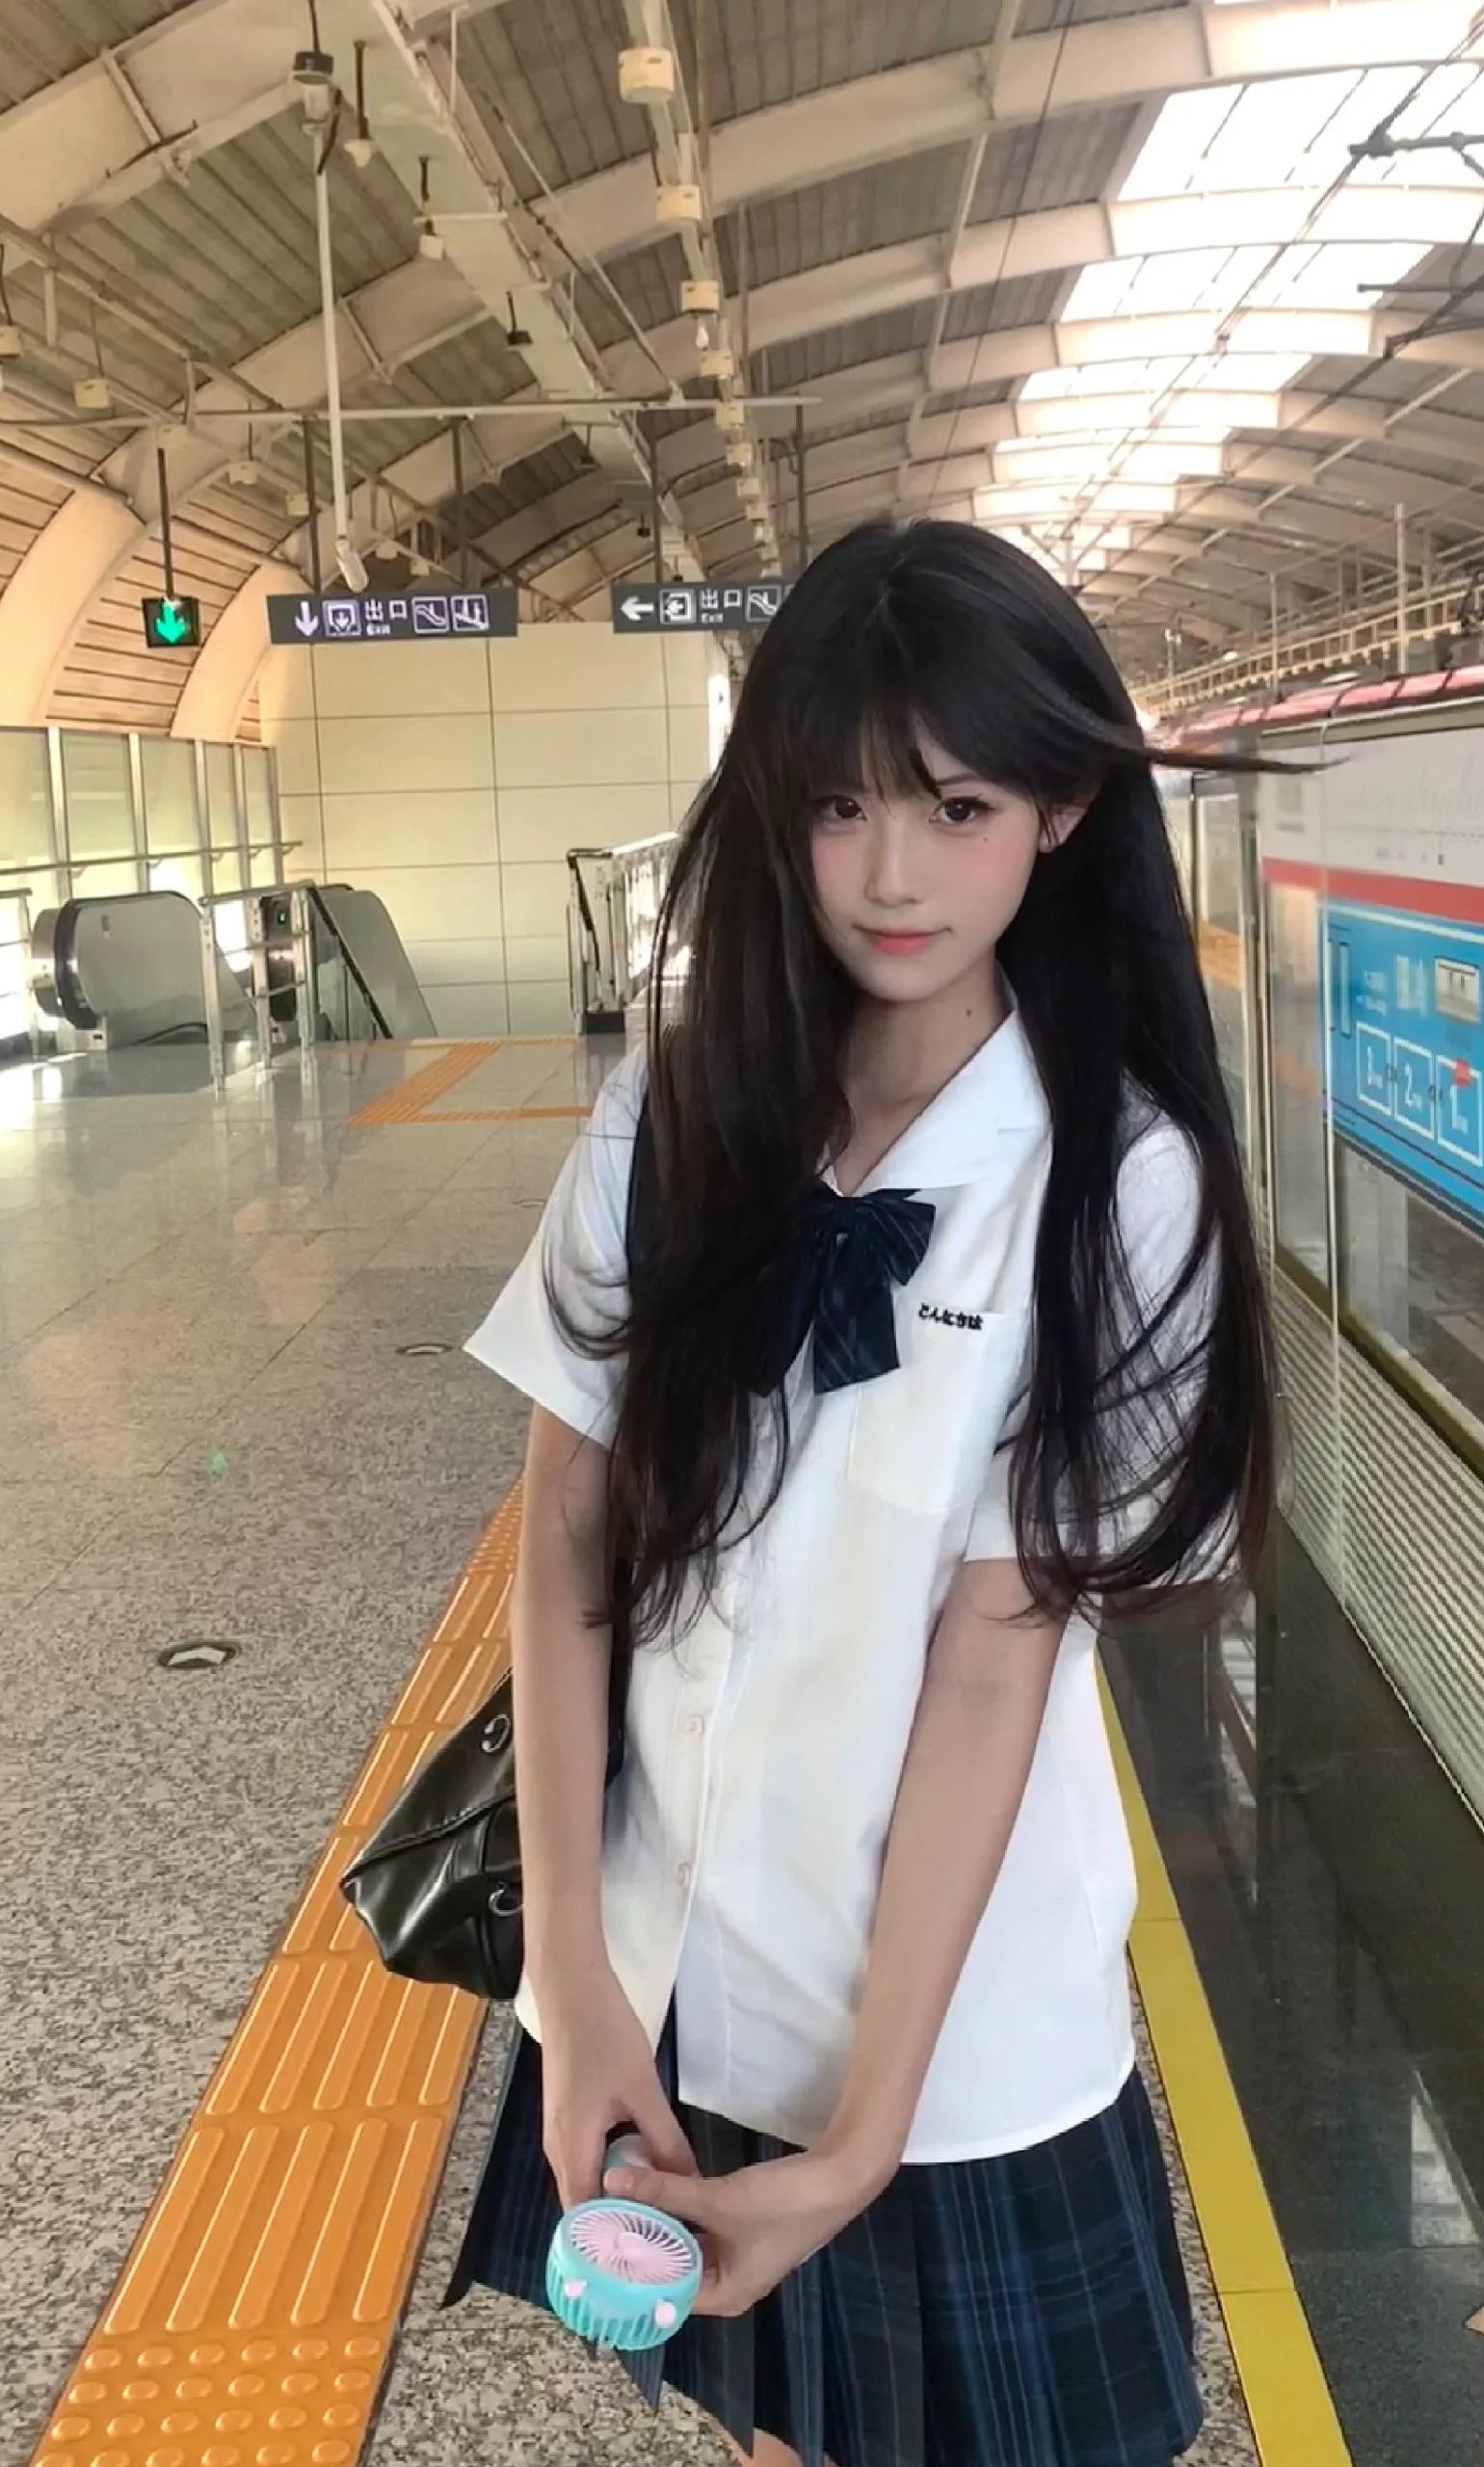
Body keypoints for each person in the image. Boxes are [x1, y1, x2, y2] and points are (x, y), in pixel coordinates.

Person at [452, 517, 1274, 2467]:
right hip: (661, 1969)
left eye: (958, 806)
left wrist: (863, 2135)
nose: (891, 875)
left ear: (1064, 808)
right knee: (775, 2430)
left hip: (944, 2032)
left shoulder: (1114, 1183)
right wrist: (575, 1981)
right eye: (839, 806)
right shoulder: (672, 1120)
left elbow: (996, 1658)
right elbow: (567, 1542)